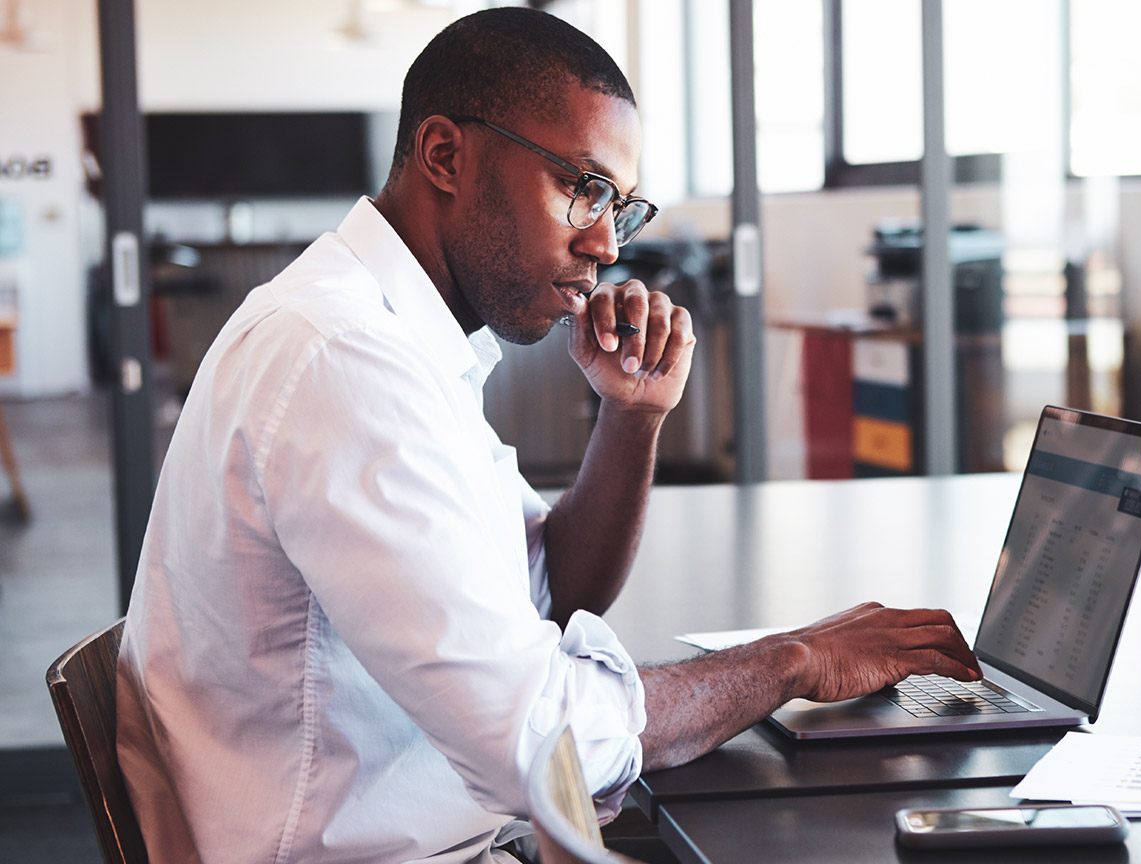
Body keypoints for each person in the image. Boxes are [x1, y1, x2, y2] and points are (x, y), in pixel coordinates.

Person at [116, 8, 981, 863]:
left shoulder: (400, 342)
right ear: (446, 155)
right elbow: (542, 748)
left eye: (621, 206)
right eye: (584, 188)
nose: (606, 244)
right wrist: (793, 661)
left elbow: (553, 587)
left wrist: (632, 415)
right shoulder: (344, 359)